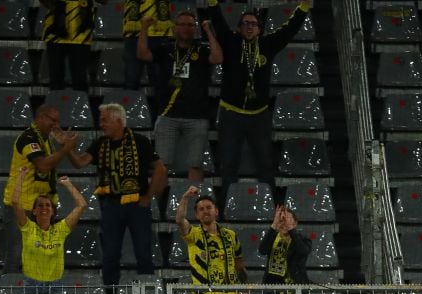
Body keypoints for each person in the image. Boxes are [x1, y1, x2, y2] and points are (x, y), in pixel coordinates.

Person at [206, 0, 311, 190]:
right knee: (228, 164)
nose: (249, 27)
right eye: (245, 23)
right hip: (231, 114)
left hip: (259, 116)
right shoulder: (230, 42)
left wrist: (303, 7)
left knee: (265, 165)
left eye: (253, 24)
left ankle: (272, 211)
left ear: (260, 29)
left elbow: (289, 29)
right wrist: (212, 3)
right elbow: (218, 19)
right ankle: (225, 211)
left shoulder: (268, 44)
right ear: (238, 28)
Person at [70, 103, 167, 289]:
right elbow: (81, 163)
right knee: (110, 255)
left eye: (105, 120)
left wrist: (148, 197)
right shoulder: (100, 143)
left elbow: (160, 169)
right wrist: (68, 149)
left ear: (119, 121)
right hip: (111, 205)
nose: (101, 124)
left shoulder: (140, 141)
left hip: (137, 204)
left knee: (143, 253)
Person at [10, 170, 88, 294]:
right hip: (30, 288)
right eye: (40, 206)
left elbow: (82, 205)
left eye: (48, 205)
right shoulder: (28, 228)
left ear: (53, 211)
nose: (44, 208)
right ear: (34, 211)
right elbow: (15, 202)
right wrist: (21, 177)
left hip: (54, 289)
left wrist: (67, 183)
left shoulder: (60, 230)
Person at [138, 10, 223, 184]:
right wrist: (144, 28)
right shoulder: (165, 48)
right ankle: (158, 206)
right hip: (167, 114)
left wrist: (208, 32)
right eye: (182, 24)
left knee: (196, 164)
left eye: (190, 25)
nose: (186, 28)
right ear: (175, 28)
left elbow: (218, 57)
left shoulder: (201, 50)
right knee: (161, 164)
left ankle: (195, 207)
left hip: (197, 116)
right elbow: (142, 54)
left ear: (195, 29)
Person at [175, 186, 246, 294]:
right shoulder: (194, 235)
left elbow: (238, 262)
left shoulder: (231, 235)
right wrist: (185, 197)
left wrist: (243, 285)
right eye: (201, 209)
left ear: (216, 211)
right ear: (197, 215)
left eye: (208, 207)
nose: (205, 211)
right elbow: (179, 219)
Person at [40, 0, 96, 92]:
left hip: (81, 35)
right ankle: (55, 105)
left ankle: (79, 106)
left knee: (80, 81)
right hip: (55, 33)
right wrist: (52, 6)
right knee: (55, 81)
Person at [122, 0, 174, 91]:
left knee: (161, 81)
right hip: (134, 33)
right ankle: (130, 104)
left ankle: (162, 105)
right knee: (132, 80)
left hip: (160, 33)